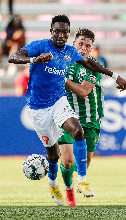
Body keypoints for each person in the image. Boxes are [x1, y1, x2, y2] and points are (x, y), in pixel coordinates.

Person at [8, 15, 126, 206]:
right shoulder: (40, 46)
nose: (61, 34)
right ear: (51, 31)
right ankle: (53, 183)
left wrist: (114, 75)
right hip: (39, 108)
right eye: (58, 31)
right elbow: (13, 57)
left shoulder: (70, 53)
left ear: (68, 33)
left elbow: (89, 64)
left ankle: (81, 181)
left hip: (60, 103)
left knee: (77, 132)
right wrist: (34, 60)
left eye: (65, 31)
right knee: (54, 156)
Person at [55, 28, 104, 206]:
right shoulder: (61, 62)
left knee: (84, 162)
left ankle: (75, 182)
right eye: (80, 44)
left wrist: (62, 79)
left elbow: (83, 91)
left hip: (90, 119)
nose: (83, 48)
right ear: (73, 44)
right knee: (67, 161)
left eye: (87, 46)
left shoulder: (93, 66)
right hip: (67, 117)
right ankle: (68, 189)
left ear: (91, 49)